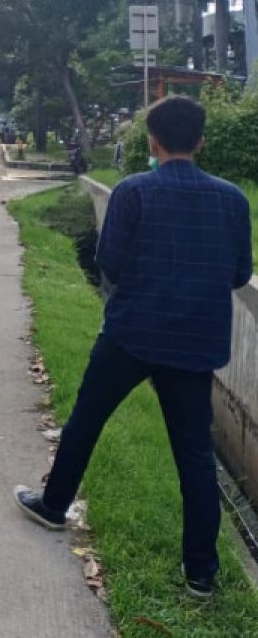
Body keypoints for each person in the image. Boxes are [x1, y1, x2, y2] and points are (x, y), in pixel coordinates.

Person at [13, 95, 253, 600]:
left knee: (86, 420)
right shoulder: (232, 199)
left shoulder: (133, 192)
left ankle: (53, 506)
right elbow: (237, 274)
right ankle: (201, 574)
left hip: (131, 335)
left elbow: (111, 265)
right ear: (202, 141)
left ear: (152, 141)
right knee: (194, 454)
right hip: (194, 345)